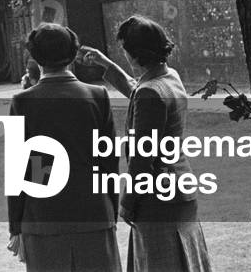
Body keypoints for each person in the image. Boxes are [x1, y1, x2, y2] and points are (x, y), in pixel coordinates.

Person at [80, 17, 212, 272]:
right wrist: (105, 63)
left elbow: (142, 160)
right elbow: (137, 89)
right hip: (181, 191)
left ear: (135, 53)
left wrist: (127, 204)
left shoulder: (150, 92)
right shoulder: (169, 77)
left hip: (158, 200)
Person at [7, 23, 122, 272]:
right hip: (94, 212)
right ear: (72, 55)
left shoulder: (22, 102)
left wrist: (16, 226)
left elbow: (18, 173)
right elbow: (109, 162)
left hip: (44, 218)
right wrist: (110, 208)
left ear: (35, 57)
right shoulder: (97, 96)